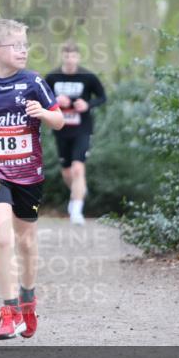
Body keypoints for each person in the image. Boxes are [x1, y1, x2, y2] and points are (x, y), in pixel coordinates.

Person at [0, 17, 64, 340]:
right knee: (1, 238)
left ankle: (28, 301)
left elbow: (59, 119)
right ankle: (8, 312)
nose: (23, 51)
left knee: (26, 242)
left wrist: (44, 114)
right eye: (16, 46)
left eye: (25, 45)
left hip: (27, 173)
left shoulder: (33, 81)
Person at [45, 42, 107, 225]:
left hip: (82, 129)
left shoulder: (88, 77)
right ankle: (79, 191)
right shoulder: (52, 77)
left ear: (78, 58)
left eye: (73, 57)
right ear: (62, 57)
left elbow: (102, 97)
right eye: (66, 56)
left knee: (78, 168)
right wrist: (55, 101)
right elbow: (41, 99)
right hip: (61, 129)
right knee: (66, 172)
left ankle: (77, 210)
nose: (70, 60)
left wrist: (87, 105)